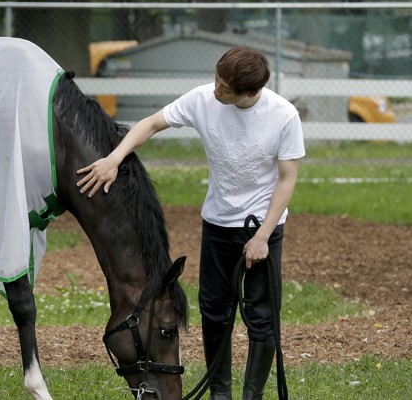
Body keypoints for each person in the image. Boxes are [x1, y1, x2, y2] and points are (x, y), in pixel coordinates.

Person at [77, 45, 305, 400]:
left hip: (261, 229)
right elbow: (152, 123)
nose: (216, 89)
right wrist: (114, 158)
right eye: (217, 78)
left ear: (250, 92)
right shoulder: (203, 98)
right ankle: (221, 394)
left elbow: (287, 179)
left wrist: (262, 236)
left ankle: (252, 396)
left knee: (261, 319)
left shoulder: (283, 116)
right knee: (214, 313)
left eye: (225, 88)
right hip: (216, 224)